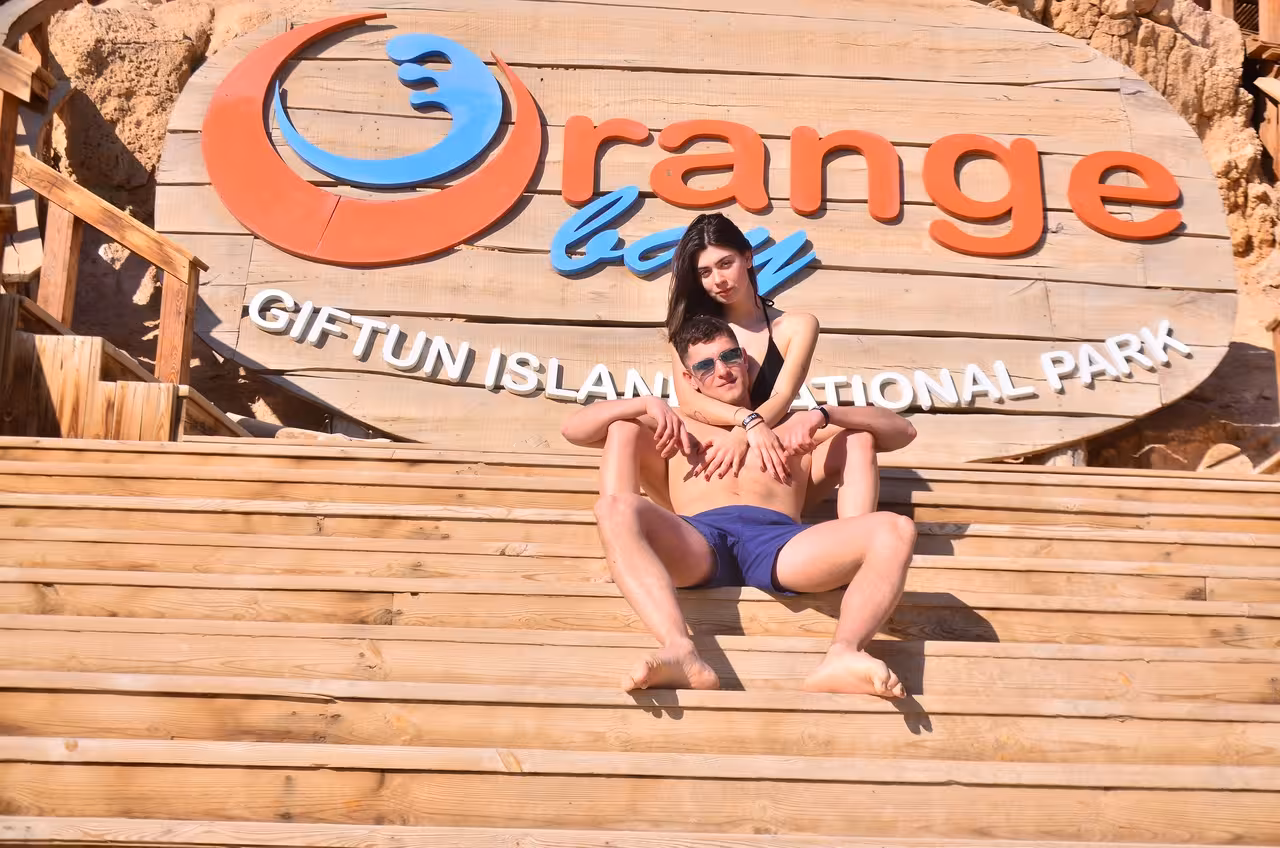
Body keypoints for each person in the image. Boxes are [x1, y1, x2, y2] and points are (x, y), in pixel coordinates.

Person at [562, 315, 918, 698]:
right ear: (689, 379)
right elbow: (575, 429)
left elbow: (902, 432)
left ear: (745, 361)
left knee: (893, 521)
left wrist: (823, 414)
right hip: (699, 540)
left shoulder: (793, 428)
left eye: (729, 357)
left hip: (781, 543)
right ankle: (680, 649)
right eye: (704, 365)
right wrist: (645, 403)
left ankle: (845, 652)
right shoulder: (676, 425)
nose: (722, 370)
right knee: (619, 457)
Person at [602, 213, 879, 521]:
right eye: (704, 272)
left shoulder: (796, 326)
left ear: (747, 257)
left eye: (725, 264)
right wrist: (746, 423)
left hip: (773, 466)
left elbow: (783, 396)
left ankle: (856, 539)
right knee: (627, 428)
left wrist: (742, 434)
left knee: (858, 435)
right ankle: (622, 531)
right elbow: (692, 403)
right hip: (706, 464)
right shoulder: (688, 332)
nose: (717, 280)